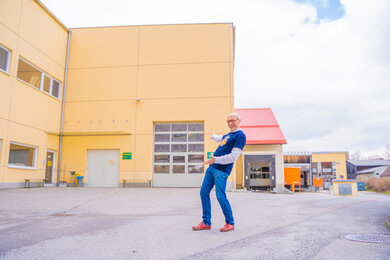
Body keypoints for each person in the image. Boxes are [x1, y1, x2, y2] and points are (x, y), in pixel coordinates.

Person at [192, 113, 246, 232]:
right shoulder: (229, 135)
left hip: (221, 171)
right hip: (212, 167)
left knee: (220, 196)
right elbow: (221, 138)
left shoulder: (240, 136)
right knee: (203, 193)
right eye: (228, 121)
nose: (230, 123)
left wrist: (215, 159)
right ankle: (206, 222)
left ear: (239, 120)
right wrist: (212, 136)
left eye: (233, 120)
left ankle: (230, 222)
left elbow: (234, 157)